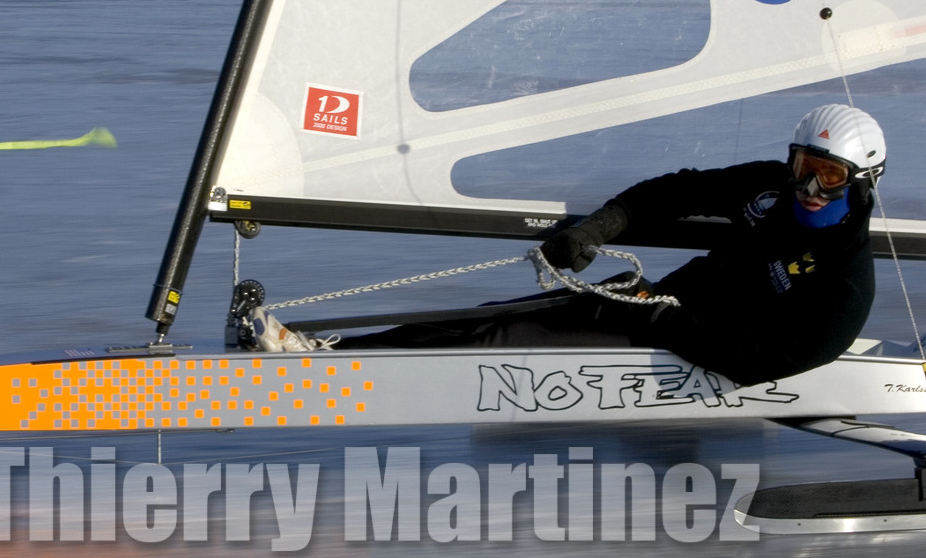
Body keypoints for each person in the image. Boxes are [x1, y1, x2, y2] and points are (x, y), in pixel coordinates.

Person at [239, 104, 886, 387]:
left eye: (828, 176)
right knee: (498, 316)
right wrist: (595, 230)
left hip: (695, 346)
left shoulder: (844, 287)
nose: (806, 185)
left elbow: (752, 359)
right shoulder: (772, 191)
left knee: (500, 339)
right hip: (660, 307)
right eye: (802, 163)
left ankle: (327, 369)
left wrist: (663, 319)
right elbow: (674, 191)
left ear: (859, 183)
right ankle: (327, 352)